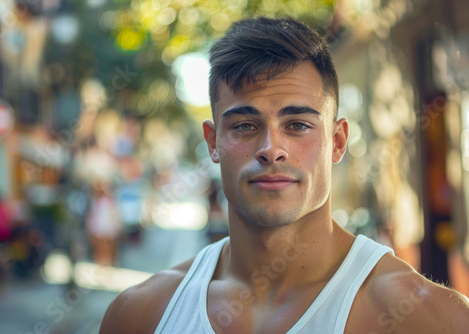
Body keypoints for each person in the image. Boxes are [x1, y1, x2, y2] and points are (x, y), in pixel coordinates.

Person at [100, 17, 469, 333]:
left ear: (337, 141)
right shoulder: (142, 314)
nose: (271, 148)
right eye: (245, 125)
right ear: (213, 142)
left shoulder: (428, 317)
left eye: (297, 124)